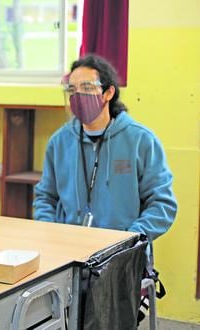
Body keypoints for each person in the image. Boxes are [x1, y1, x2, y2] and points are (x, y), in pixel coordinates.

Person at [33, 54, 177, 242]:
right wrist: (52, 232)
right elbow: (45, 197)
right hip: (68, 251)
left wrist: (131, 238)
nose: (77, 96)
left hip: (122, 255)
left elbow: (162, 204)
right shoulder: (59, 142)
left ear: (108, 93)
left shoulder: (141, 140)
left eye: (87, 87)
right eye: (72, 90)